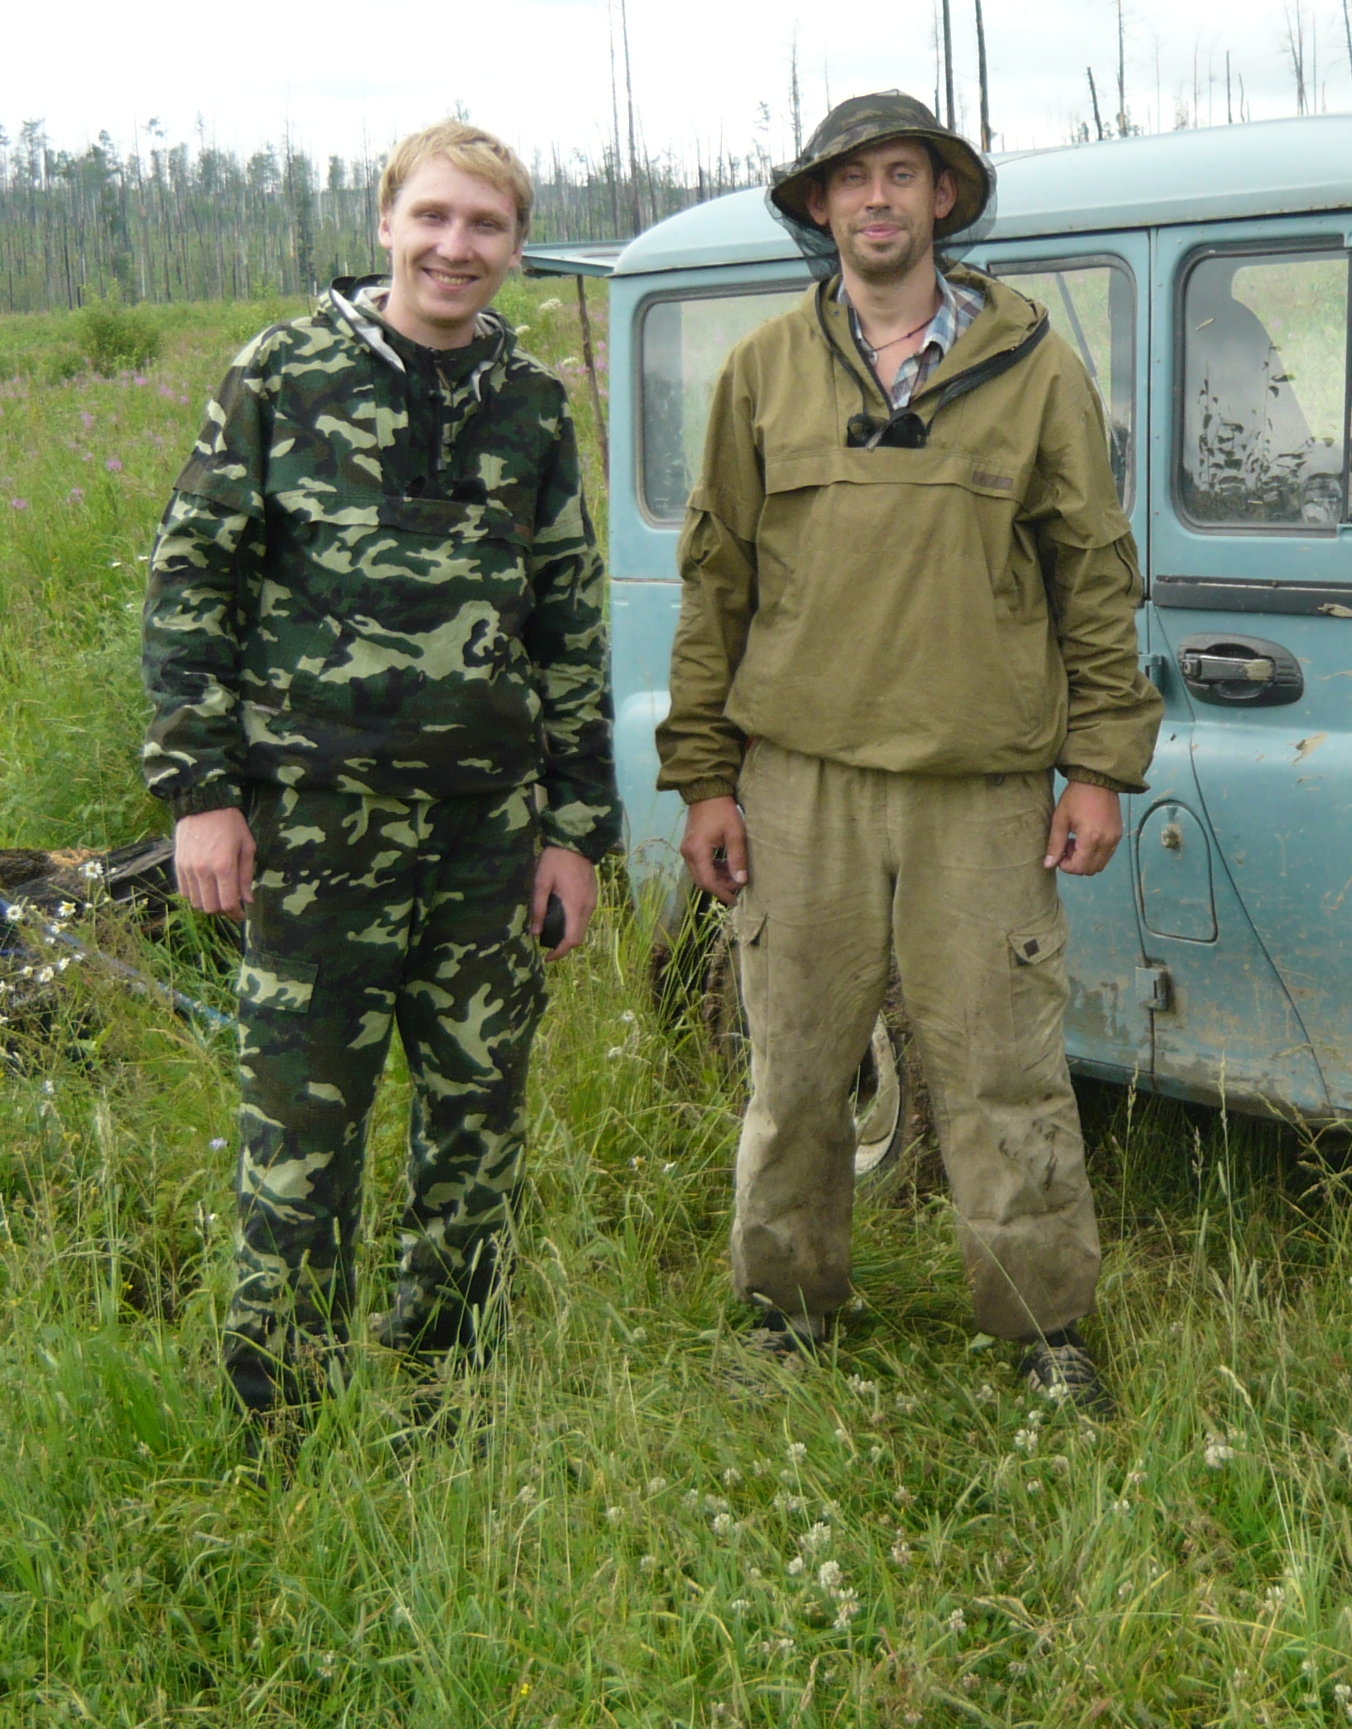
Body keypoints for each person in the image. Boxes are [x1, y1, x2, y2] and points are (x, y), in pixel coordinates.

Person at [660, 91, 1160, 1412]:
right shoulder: (763, 370)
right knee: (798, 1071)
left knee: (1004, 1071)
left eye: (904, 175)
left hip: (981, 791)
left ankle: (1045, 1332)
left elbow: (1094, 576)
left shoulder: (1037, 369)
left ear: (944, 199)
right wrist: (705, 778)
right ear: (818, 209)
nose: (878, 200)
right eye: (851, 182)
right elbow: (714, 582)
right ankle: (785, 1314)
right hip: (797, 786)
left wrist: (1101, 762)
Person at [141, 118, 615, 1445]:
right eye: (436, 219)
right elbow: (193, 586)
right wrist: (200, 794)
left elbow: (567, 624)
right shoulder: (281, 377)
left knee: (476, 1131)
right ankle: (280, 1417)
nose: (457, 248)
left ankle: (441, 1398)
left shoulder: (528, 408)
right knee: (301, 1135)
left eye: (487, 227)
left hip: (484, 838)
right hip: (313, 830)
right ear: (386, 225)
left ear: (515, 248)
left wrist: (574, 831)